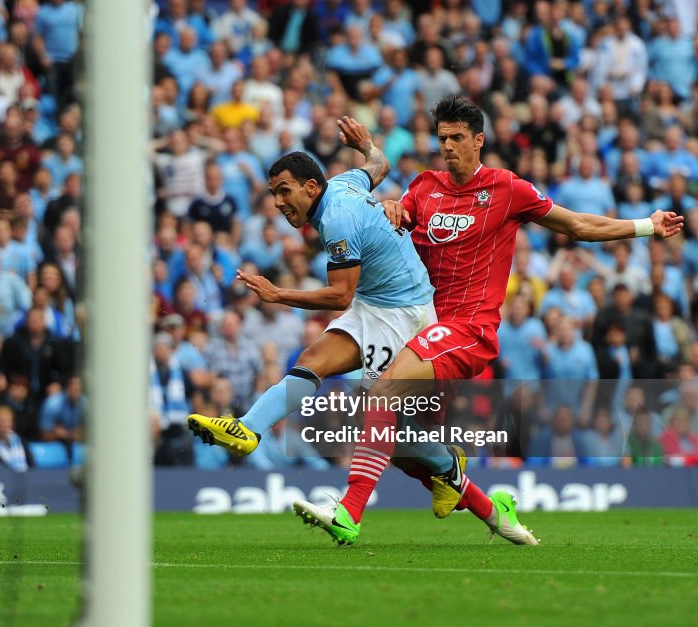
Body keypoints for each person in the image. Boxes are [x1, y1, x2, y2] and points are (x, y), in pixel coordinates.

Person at [331, 96, 680, 543]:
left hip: (469, 329)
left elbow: (576, 225)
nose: (449, 146)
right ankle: (492, 509)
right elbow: (391, 232)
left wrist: (645, 226)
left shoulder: (506, 189)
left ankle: (349, 511)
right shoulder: (424, 186)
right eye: (442, 138)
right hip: (420, 328)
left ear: (479, 141)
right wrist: (389, 207)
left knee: (381, 395)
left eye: (458, 138)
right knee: (393, 434)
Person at [188, 117, 448, 544]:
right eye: (273, 194)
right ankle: (249, 429)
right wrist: (367, 146)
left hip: (404, 313)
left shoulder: (339, 221)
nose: (277, 202)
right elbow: (378, 166)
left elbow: (340, 295)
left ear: (311, 187)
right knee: (311, 362)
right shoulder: (344, 183)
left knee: (387, 427)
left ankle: (445, 468)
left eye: (284, 191)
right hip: (376, 301)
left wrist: (277, 294)